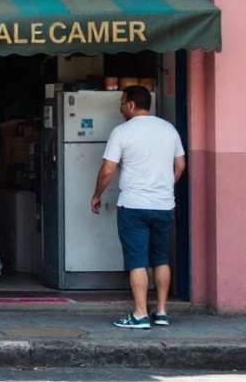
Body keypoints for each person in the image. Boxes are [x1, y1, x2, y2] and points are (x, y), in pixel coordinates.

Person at [90, 85, 186, 330]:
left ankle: (140, 314)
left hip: (133, 206)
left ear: (131, 105)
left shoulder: (122, 132)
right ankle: (162, 312)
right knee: (161, 258)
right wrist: (165, 185)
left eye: (122, 102)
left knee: (137, 261)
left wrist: (97, 194)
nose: (120, 107)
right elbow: (180, 165)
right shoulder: (169, 129)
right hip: (164, 205)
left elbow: (108, 170)